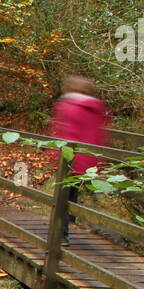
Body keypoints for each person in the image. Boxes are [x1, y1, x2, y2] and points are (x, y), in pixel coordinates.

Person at [50, 75, 110, 245]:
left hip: (69, 158)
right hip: (88, 159)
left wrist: (54, 153)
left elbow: (63, 132)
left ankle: (61, 235)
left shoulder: (67, 105)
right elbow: (100, 134)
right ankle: (68, 226)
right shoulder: (98, 108)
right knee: (72, 194)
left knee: (62, 196)